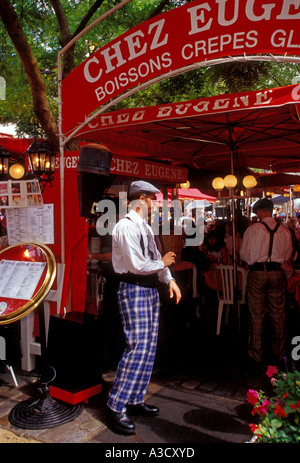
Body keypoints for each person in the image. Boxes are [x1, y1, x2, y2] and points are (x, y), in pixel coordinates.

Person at [106, 180, 181, 435]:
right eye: (152, 200)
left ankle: (135, 398)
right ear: (141, 199)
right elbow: (139, 265)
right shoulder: (125, 227)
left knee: (147, 347)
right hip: (134, 287)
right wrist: (162, 264)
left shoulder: (145, 227)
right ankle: (116, 405)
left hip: (148, 289)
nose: (154, 205)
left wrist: (169, 279)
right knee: (137, 346)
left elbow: (154, 262)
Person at [239, 198, 293, 366]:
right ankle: (280, 352)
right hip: (277, 273)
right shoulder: (284, 230)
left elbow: (244, 255)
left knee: (257, 314)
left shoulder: (253, 229)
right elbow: (288, 255)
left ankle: (256, 353)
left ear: (261, 212)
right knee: (279, 314)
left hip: (257, 274)